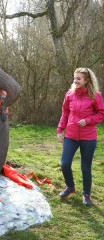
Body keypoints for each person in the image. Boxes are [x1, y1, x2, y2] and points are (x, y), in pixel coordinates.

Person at [57, 67, 104, 206]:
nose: (75, 81)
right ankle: (70, 187)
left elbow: (101, 114)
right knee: (64, 163)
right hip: (71, 135)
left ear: (86, 80)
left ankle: (87, 194)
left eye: (79, 78)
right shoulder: (69, 95)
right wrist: (60, 129)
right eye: (74, 78)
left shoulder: (96, 96)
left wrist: (88, 120)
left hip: (88, 137)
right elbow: (65, 114)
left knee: (85, 167)